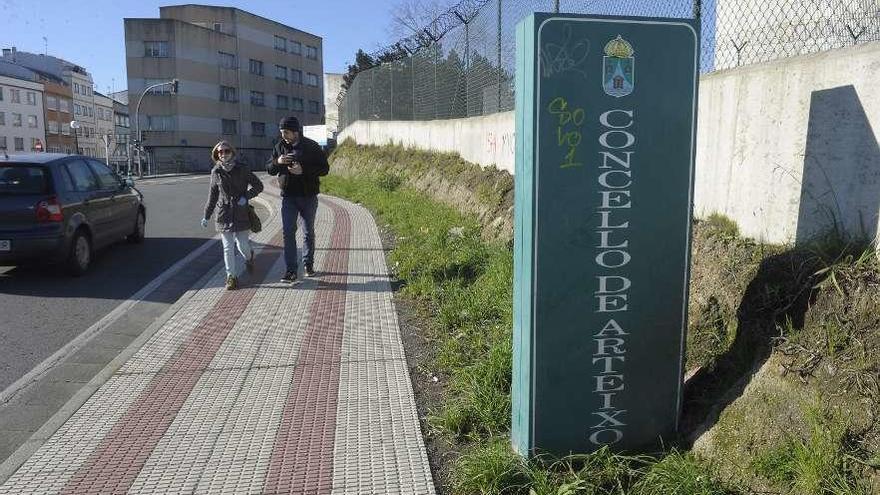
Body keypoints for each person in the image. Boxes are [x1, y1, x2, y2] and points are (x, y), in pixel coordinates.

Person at [267, 116, 329, 283]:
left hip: (308, 197)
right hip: (288, 197)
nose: (283, 136)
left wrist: (303, 170)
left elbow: (324, 169)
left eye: (286, 132)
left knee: (308, 232)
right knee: (288, 233)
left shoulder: (311, 146)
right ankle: (291, 271)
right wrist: (277, 161)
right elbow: (270, 169)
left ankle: (308, 264)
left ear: (295, 131)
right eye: (281, 132)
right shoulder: (279, 147)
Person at [203, 140, 264, 290]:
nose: (223, 154)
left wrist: (246, 197)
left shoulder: (242, 169)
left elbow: (259, 185)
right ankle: (231, 277)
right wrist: (206, 215)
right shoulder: (216, 172)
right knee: (227, 247)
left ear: (232, 152)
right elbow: (212, 196)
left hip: (241, 212)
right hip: (223, 213)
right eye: (220, 152)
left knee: (242, 245)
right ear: (216, 154)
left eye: (226, 151)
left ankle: (249, 257)